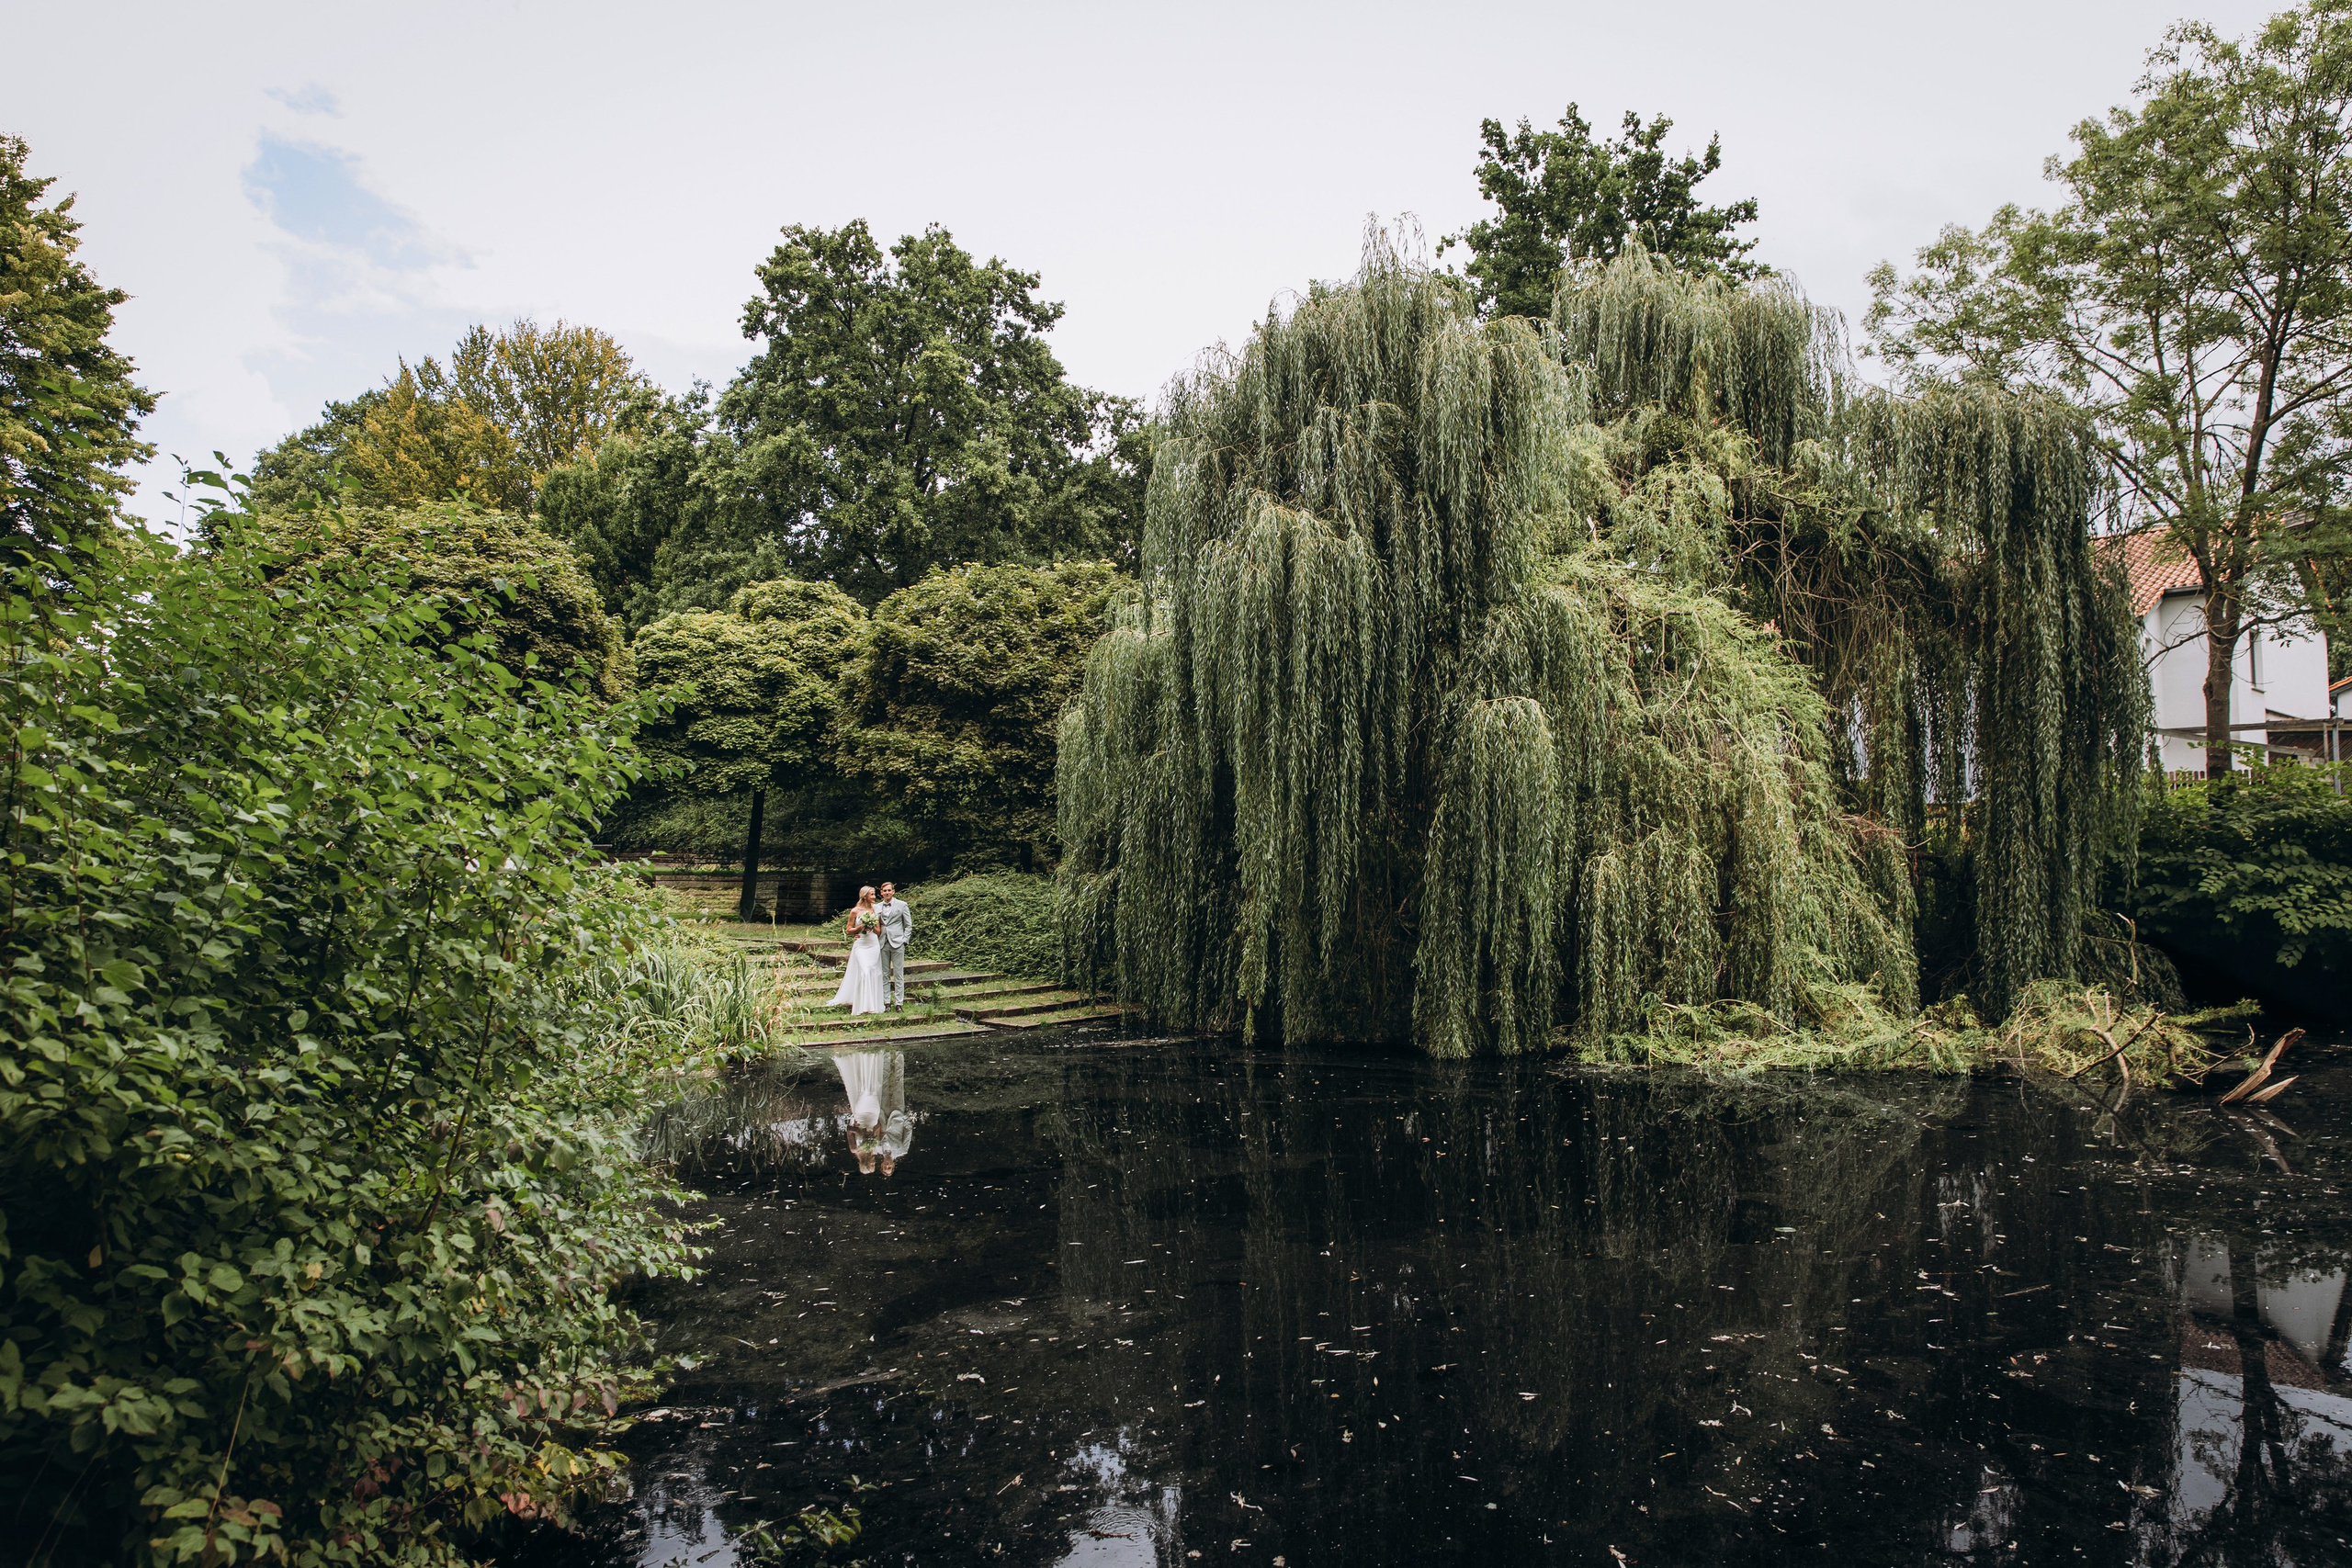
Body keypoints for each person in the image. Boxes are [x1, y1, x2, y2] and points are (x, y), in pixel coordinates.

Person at [827, 886, 888, 1014]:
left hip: (873, 944)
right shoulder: (855, 911)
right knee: (864, 971)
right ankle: (862, 1004)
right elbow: (849, 930)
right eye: (872, 894)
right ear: (865, 896)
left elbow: (878, 931)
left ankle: (872, 1004)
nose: (874, 897)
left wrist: (871, 926)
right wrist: (860, 927)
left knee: (872, 972)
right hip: (860, 944)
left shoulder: (875, 910)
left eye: (874, 894)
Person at [875, 881, 913, 1009]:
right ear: (881, 892)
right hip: (882, 942)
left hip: (898, 942)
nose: (887, 893)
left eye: (889, 890)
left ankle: (899, 1003)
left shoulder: (902, 905)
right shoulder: (877, 907)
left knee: (898, 973)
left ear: (893, 891)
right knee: (885, 973)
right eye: (884, 891)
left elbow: (908, 925)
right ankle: (886, 1003)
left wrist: (905, 940)